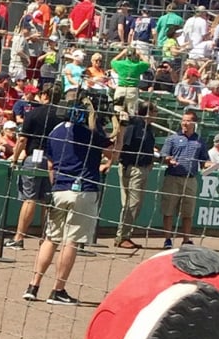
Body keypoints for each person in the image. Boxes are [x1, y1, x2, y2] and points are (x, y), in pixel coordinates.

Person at [23, 89, 115, 305]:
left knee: (50, 238)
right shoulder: (91, 130)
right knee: (70, 241)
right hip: (83, 189)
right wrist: (118, 137)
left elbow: (50, 165)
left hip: (59, 189)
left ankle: (33, 286)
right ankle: (58, 290)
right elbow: (114, 155)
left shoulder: (55, 130)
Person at [8, 86, 56, 249]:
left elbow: (22, 140)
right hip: (54, 161)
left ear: (44, 95)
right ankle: (46, 239)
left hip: (35, 157)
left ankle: (19, 238)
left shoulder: (33, 113)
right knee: (47, 200)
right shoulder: (63, 115)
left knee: (30, 198)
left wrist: (14, 159)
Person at [159, 109, 210, 246]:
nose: (185, 123)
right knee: (168, 210)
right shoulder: (172, 138)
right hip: (172, 177)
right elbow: (163, 156)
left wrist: (210, 165)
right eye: (183, 120)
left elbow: (204, 160)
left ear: (194, 122)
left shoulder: (200, 141)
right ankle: (168, 239)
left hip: (191, 179)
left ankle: (186, 239)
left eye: (188, 120)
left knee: (188, 211)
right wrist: (168, 160)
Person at [112, 101, 156, 250]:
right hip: (132, 168)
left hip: (143, 167)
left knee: (136, 204)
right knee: (131, 204)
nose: (156, 115)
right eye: (154, 112)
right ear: (148, 112)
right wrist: (124, 164)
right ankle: (122, 236)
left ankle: (126, 235)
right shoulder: (134, 125)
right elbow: (123, 144)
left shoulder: (147, 127)